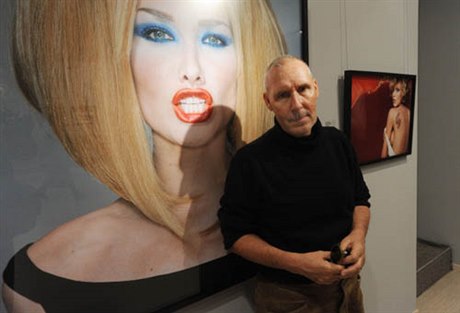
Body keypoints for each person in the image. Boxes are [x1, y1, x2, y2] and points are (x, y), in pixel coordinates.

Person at [2, 1, 285, 312]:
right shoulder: (44, 275)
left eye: (215, 39)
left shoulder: (296, 206)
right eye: (157, 34)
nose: (191, 70)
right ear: (120, 59)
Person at [218, 55, 371, 313]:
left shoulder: (338, 142)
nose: (297, 104)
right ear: (268, 102)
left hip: (348, 287)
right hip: (287, 297)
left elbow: (360, 199)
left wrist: (359, 235)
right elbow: (235, 236)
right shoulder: (250, 161)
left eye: (303, 89)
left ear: (315, 88)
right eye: (283, 95)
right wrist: (298, 264)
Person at [381, 78, 412, 158]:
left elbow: (384, 148)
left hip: (393, 156)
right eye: (393, 91)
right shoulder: (409, 112)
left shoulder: (392, 112)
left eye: (397, 90)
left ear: (403, 93)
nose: (393, 95)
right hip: (403, 159)